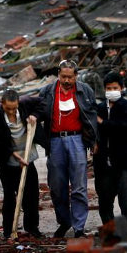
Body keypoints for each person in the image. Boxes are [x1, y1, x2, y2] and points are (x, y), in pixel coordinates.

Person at [34, 59, 98, 238]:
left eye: (70, 77)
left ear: (76, 76)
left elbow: (92, 115)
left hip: (77, 139)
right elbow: (38, 110)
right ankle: (64, 221)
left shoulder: (85, 91)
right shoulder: (48, 91)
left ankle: (79, 228)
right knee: (57, 186)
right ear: (58, 75)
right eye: (63, 77)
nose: (67, 80)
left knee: (79, 186)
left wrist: (94, 140)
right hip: (55, 141)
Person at [0, 89, 42, 238]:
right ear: (1, 104)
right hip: (7, 160)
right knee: (10, 196)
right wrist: (15, 155)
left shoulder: (25, 104)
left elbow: (43, 103)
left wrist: (35, 116)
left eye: (14, 108)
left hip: (27, 157)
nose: (11, 112)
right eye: (8, 108)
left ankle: (32, 227)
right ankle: (9, 230)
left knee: (31, 195)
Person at [95, 71, 127, 230]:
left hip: (124, 161)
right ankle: (111, 231)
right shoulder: (99, 108)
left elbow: (125, 127)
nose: (112, 90)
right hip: (103, 163)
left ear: (122, 88)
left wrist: (103, 123)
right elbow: (93, 130)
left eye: (115, 87)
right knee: (104, 202)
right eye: (108, 88)